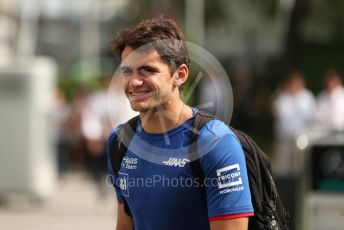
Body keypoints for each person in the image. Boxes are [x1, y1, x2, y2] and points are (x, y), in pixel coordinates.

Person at [107, 17, 253, 230]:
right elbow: (125, 225)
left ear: (180, 75)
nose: (134, 82)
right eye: (127, 71)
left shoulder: (215, 142)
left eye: (147, 70)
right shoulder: (120, 141)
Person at [272, 71, 316, 176]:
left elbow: (312, 116)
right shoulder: (283, 97)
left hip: (302, 138)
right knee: (284, 166)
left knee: (300, 166)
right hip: (284, 138)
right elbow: (277, 113)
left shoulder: (307, 97)